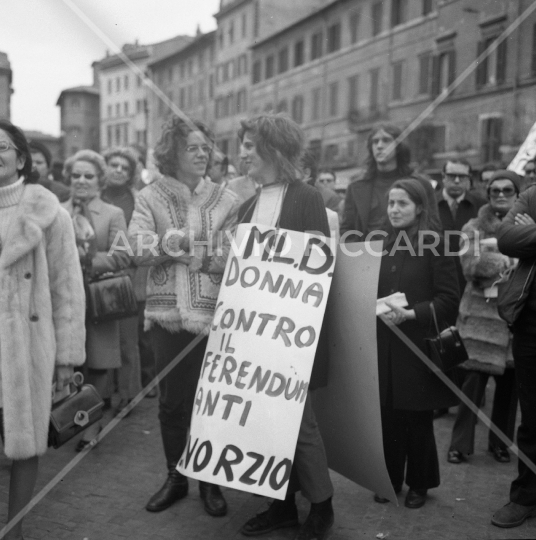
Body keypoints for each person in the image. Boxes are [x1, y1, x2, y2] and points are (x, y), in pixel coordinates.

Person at [128, 117, 240, 518]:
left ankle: (210, 481)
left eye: (206, 148)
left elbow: (231, 253)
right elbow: (137, 246)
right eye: (192, 147)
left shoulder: (226, 198)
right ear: (173, 151)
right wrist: (179, 243)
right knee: (174, 403)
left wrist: (188, 252)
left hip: (214, 315)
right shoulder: (150, 196)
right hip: (167, 314)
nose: (201, 154)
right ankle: (176, 478)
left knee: (209, 402)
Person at [236, 114, 334, 540]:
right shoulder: (246, 205)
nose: (241, 153)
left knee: (301, 425)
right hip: (253, 334)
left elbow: (314, 269)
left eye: (249, 146)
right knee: (267, 423)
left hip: (294, 335)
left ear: (273, 151)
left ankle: (323, 505)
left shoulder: (306, 198)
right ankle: (280, 506)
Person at [0, 120, 85, 539]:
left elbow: (69, 288)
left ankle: (14, 529)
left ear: (20, 156)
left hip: (27, 343)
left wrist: (67, 357)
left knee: (26, 437)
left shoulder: (49, 211)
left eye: (2, 146)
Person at [376, 178, 460, 509]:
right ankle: (391, 477)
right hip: (385, 342)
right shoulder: (382, 243)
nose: (394, 209)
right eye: (391, 203)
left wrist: (411, 314)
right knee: (388, 415)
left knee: (416, 418)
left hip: (417, 344)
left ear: (420, 208)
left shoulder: (436, 244)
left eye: (402, 204)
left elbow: (450, 299)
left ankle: (420, 483)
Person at [448, 170, 521, 465]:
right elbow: (471, 266)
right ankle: (459, 444)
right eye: (495, 191)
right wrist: (509, 260)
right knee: (472, 383)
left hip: (516, 318)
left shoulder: (527, 224)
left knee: (510, 386)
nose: (500, 195)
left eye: (507, 191)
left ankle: (500, 443)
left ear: (517, 194)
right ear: (488, 195)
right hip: (480, 318)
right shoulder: (472, 226)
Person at [62, 150, 131, 450]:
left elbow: (123, 256)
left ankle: (91, 428)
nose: (81, 181)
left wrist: (88, 259)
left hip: (98, 300)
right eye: (76, 175)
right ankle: (68, 420)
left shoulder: (113, 214)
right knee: (69, 363)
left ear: (100, 180)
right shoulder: (56, 210)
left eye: (88, 176)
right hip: (63, 300)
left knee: (99, 365)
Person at [492, 177, 536, 528]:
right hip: (531, 326)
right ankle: (524, 496)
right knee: (532, 417)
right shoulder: (533, 195)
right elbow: (506, 239)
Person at [341, 123, 439, 243]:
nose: (380, 146)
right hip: (366, 256)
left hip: (408, 254)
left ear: (398, 146)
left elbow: (433, 228)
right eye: (375, 142)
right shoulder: (355, 187)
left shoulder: (421, 185)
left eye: (386, 140)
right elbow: (347, 231)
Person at [102, 147, 147, 409]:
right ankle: (103, 393)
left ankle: (128, 394)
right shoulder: (92, 197)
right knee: (102, 336)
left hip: (129, 275)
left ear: (130, 174)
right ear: (105, 168)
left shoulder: (139, 200)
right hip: (97, 275)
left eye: (124, 167)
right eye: (114, 165)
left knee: (128, 339)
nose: (118, 170)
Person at [437, 159, 486, 289]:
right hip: (437, 278)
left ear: (469, 178)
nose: (457, 181)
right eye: (452, 176)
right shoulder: (430, 204)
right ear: (443, 177)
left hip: (471, 280)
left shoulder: (481, 206)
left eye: (462, 177)